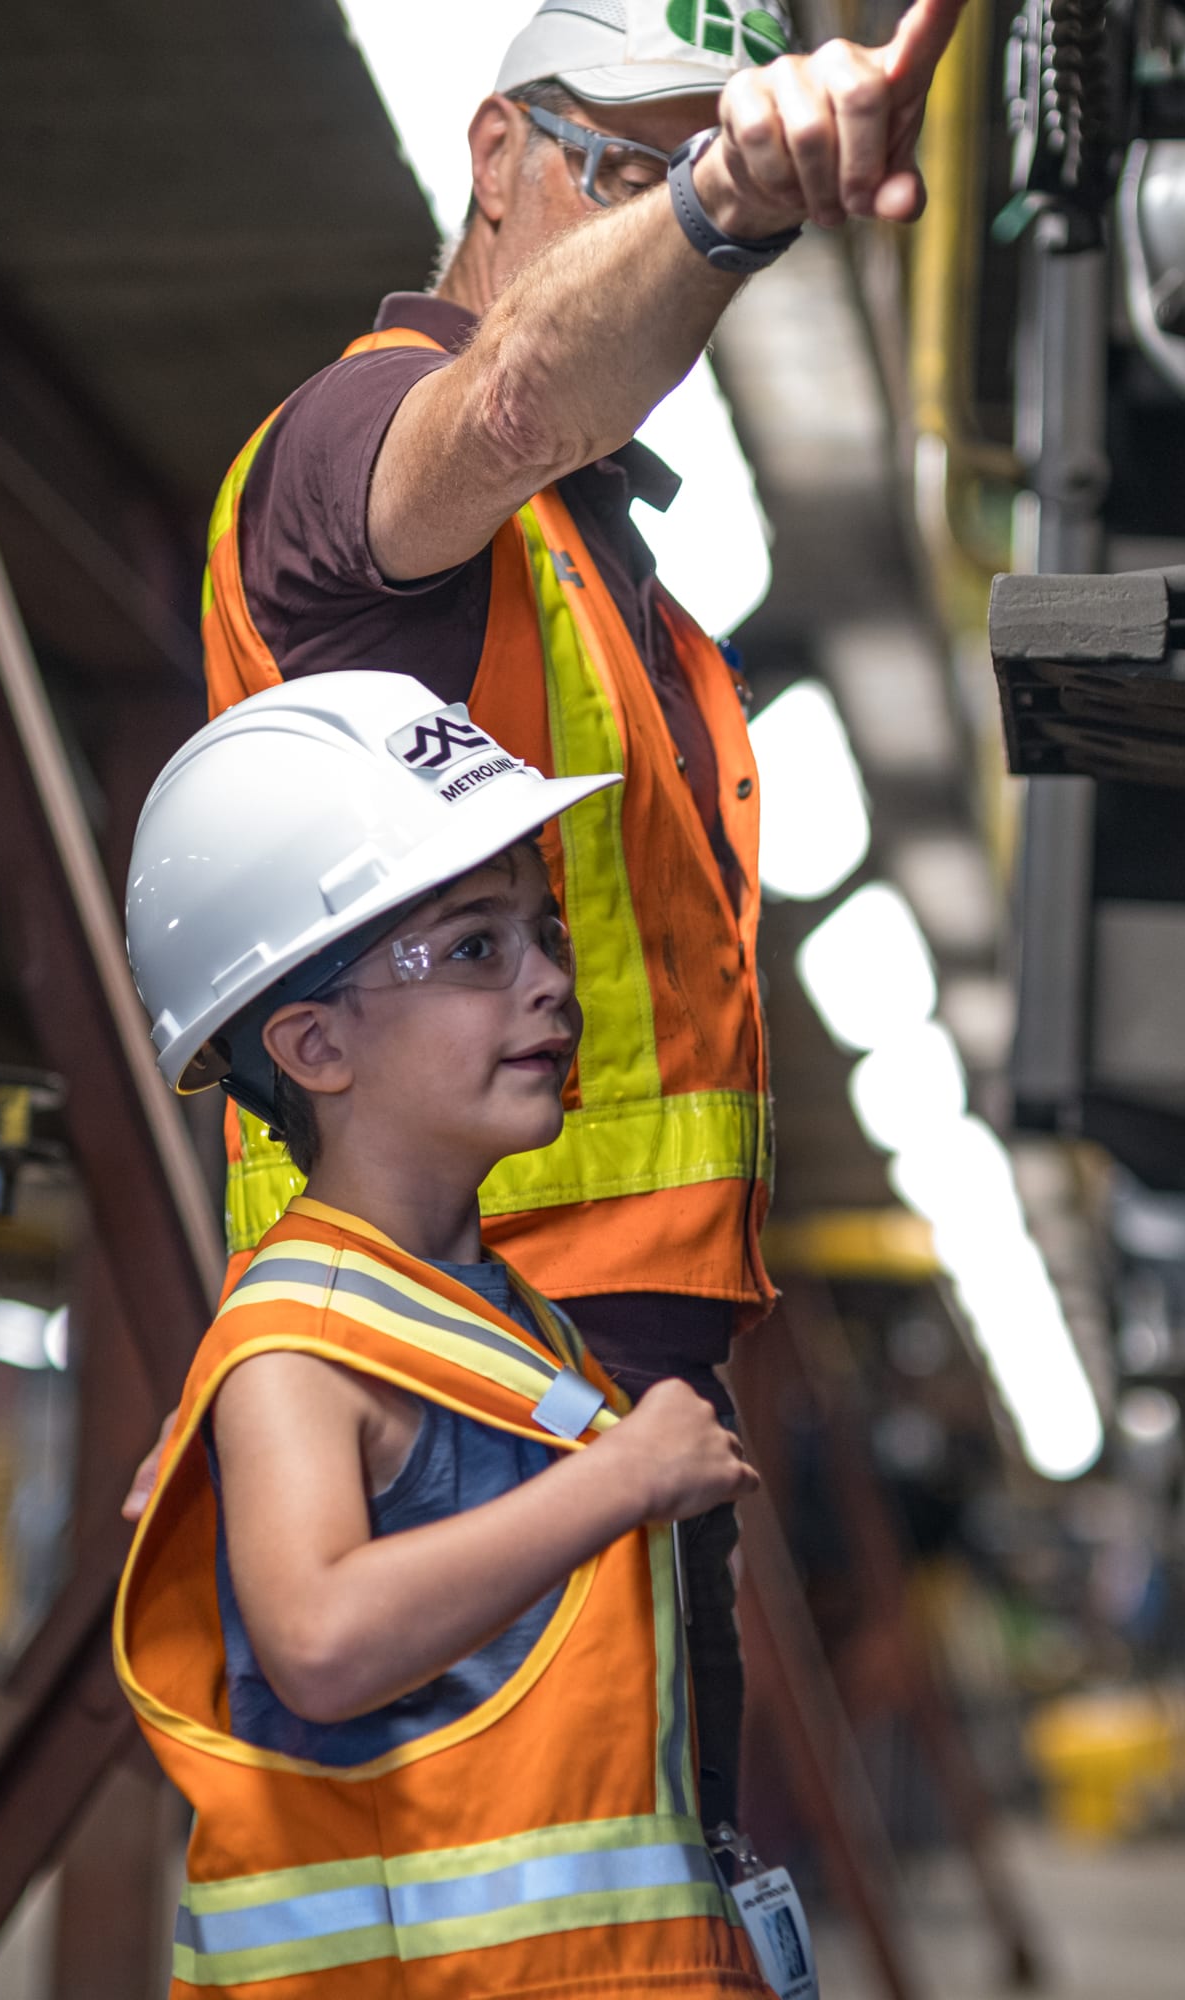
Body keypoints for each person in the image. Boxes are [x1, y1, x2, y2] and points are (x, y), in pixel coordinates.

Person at [178, 0, 970, 1840]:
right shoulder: (361, 453)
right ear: (491, 152)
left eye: (680, 164)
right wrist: (727, 202)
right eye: (618, 164)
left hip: (570, 1372)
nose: (647, 215)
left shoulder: (608, 569)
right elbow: (517, 392)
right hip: (452, 1376)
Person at [116, 671, 769, 1995]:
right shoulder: (299, 1348)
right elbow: (323, 1640)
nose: (548, 984)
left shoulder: (513, 1332)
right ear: (311, 1042)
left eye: (545, 933)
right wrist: (628, 1481)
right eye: (475, 948)